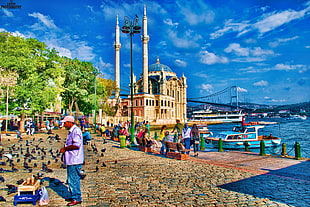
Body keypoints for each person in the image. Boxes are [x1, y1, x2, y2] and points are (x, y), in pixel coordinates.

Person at [60, 116, 84, 206]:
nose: (64, 124)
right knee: (71, 179)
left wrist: (65, 149)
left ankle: (76, 198)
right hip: (71, 159)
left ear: (70, 122)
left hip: (75, 159)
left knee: (73, 180)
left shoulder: (75, 131)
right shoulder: (71, 132)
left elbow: (76, 145)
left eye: (65, 123)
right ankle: (74, 195)